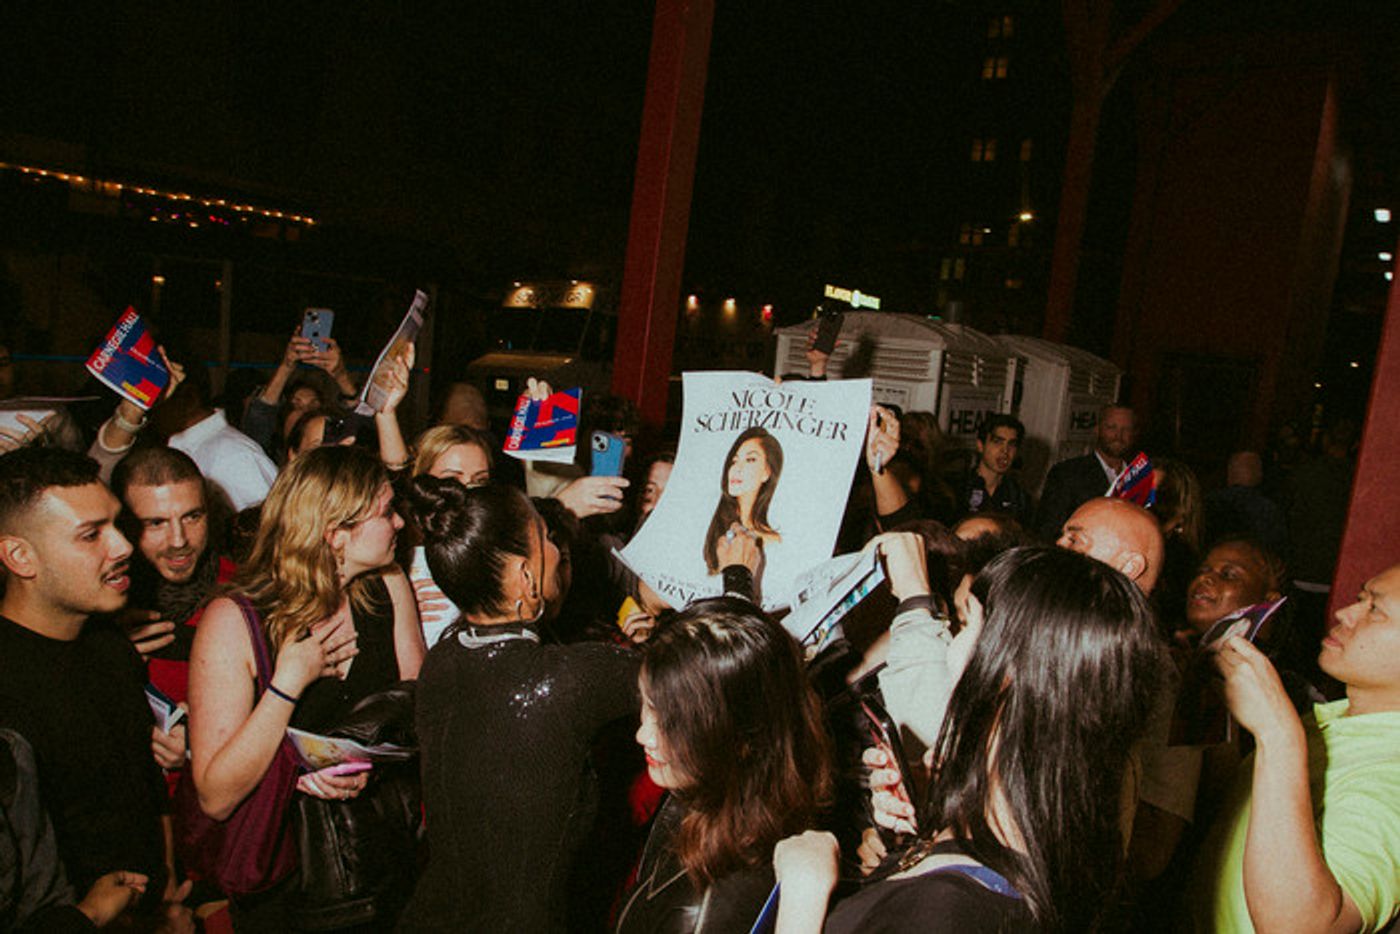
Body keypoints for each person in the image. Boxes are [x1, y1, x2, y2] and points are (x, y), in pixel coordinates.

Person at [772, 546, 1165, 932]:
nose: (953, 646)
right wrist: (932, 819)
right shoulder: (1057, 855)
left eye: (966, 624)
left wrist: (803, 894)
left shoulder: (943, 911)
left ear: (1007, 674)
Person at [188, 446, 425, 930]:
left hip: (381, 851)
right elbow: (216, 795)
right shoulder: (234, 620)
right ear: (335, 534)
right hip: (287, 872)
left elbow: (419, 711)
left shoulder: (387, 584)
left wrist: (368, 765)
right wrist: (288, 684)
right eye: (386, 512)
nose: (400, 523)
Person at [398, 478, 640, 932]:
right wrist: (736, 578)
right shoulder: (568, 680)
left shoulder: (443, 662)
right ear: (524, 576)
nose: (556, 545)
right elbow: (703, 678)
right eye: (546, 537)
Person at [0, 448, 193, 929]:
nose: (124, 546)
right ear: (20, 556)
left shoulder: (109, 647)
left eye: (116, 524)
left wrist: (164, 897)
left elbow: (145, 786)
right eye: (91, 535)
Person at [1189, 561, 1400, 932]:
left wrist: (1277, 734)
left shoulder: (1392, 777)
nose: (1345, 612)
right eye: (1360, 598)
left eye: (1375, 610)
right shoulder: (1331, 719)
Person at [616, 598, 832, 933]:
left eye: (670, 723)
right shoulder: (707, 795)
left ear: (740, 738)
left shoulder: (700, 918)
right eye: (647, 706)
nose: (644, 734)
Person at [110, 447, 237, 788]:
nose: (179, 541)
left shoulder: (245, 597)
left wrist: (203, 745)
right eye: (155, 523)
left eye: (192, 517)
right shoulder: (94, 609)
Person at [152, 358, 279, 512]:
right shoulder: (181, 450)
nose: (148, 408)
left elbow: (273, 528)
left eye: (156, 398)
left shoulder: (235, 457)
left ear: (190, 398)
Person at [1035, 404, 1137, 540]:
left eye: (1126, 429)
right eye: (1111, 428)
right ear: (1097, 429)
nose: (1118, 436)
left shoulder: (1140, 477)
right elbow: (1048, 531)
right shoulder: (1067, 473)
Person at [703, 427, 784, 574]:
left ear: (767, 472)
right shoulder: (713, 527)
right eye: (734, 461)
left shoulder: (773, 543)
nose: (737, 468)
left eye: (750, 459)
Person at [956, 414, 1031, 526]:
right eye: (997, 442)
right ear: (980, 445)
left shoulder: (1019, 497)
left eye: (1011, 444)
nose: (1005, 451)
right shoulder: (958, 488)